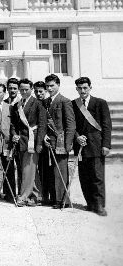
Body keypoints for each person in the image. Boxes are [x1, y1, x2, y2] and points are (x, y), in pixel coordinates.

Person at [72, 77, 111, 216]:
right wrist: (77, 136)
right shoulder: (73, 104)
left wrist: (106, 145)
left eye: (85, 88)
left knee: (97, 176)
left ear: (90, 88)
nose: (82, 91)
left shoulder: (100, 103)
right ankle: (90, 202)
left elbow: (106, 125)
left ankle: (99, 205)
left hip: (97, 145)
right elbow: (71, 125)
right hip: (81, 146)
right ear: (76, 89)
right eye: (80, 88)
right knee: (84, 176)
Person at [10, 79, 46, 207]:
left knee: (28, 169)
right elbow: (13, 124)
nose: (24, 92)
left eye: (26, 89)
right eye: (22, 90)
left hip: (33, 140)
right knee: (29, 170)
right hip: (21, 141)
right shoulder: (17, 105)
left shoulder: (38, 103)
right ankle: (36, 196)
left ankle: (24, 196)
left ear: (31, 89)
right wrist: (14, 135)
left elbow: (42, 125)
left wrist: (39, 143)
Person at [41, 74, 75, 208]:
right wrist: (44, 136)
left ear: (58, 85)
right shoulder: (45, 102)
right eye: (47, 86)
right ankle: (54, 197)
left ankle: (62, 200)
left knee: (60, 171)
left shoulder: (64, 101)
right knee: (50, 171)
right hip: (49, 141)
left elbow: (70, 124)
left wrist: (67, 143)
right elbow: (43, 122)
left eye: (52, 86)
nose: (49, 88)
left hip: (61, 142)